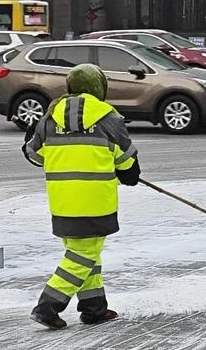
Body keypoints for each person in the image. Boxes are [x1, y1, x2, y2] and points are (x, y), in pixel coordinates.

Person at [23, 64, 140, 329]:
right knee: (83, 256)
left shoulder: (50, 117)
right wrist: (128, 172)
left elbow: (35, 155)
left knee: (85, 253)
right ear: (99, 87)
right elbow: (127, 165)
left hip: (63, 201)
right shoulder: (109, 118)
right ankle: (47, 306)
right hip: (96, 202)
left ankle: (94, 308)